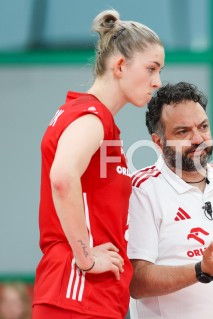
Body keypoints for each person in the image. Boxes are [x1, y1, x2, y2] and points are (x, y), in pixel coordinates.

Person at [33, 9, 164, 319]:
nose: (157, 81)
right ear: (119, 66)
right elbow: (62, 178)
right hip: (78, 295)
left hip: (94, 298)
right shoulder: (92, 118)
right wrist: (86, 256)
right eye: (152, 68)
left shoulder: (95, 119)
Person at [127, 82, 213, 319]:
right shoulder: (142, 190)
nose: (198, 138)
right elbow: (135, 282)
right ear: (158, 141)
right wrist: (200, 270)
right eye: (183, 132)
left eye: (203, 127)